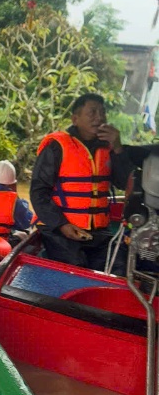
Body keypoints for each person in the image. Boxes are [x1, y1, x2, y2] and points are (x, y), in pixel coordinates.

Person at [30, 93, 135, 274]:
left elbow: (125, 182)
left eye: (102, 112)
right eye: (92, 112)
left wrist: (118, 148)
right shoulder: (57, 146)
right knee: (75, 269)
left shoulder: (108, 148)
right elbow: (38, 192)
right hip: (59, 230)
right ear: (75, 119)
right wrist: (62, 224)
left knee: (120, 269)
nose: (99, 118)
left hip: (98, 232)